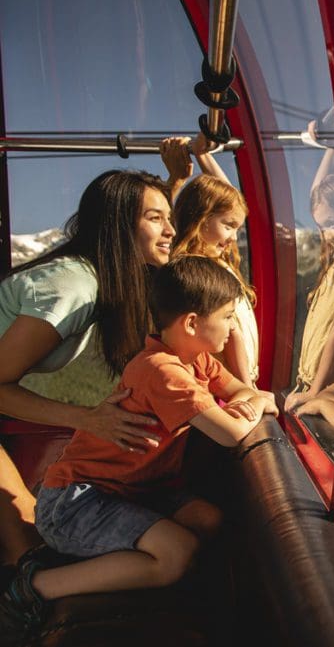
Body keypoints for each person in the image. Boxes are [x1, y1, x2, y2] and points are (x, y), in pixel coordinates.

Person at [0, 256, 276, 641]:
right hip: (76, 501)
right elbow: (230, 432)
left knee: (207, 519)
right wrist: (261, 403)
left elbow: (239, 391)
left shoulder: (196, 360)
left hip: (134, 490)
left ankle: (104, 558)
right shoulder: (163, 371)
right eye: (229, 316)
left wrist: (251, 398)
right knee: (176, 555)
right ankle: (36, 585)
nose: (235, 328)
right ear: (193, 323)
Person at [0, 167, 178, 571]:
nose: (171, 230)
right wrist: (89, 420)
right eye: (155, 218)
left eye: (170, 217)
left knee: (27, 536)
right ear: (118, 224)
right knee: (24, 546)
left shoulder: (98, 281)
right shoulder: (73, 287)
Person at [171, 169, 259, 387]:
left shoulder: (218, 263)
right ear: (200, 218)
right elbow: (232, 332)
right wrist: (246, 387)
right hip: (224, 384)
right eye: (228, 226)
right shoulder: (200, 272)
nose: (233, 238)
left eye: (237, 228)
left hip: (234, 381)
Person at [283, 161, 334, 414]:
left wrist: (316, 391)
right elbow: (317, 196)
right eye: (321, 228)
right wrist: (326, 140)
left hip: (327, 388)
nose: (327, 236)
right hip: (307, 380)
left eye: (332, 224)